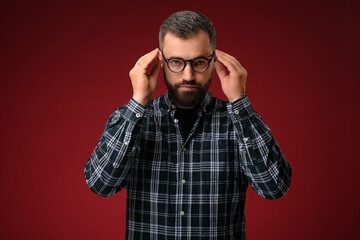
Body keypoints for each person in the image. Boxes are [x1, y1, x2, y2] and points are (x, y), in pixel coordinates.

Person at [84, 10, 292, 240]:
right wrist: (138, 102)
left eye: (199, 62)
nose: (188, 75)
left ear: (214, 61)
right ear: (161, 61)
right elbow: (100, 184)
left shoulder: (238, 122)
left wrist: (239, 102)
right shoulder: (133, 119)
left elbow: (275, 187)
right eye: (176, 62)